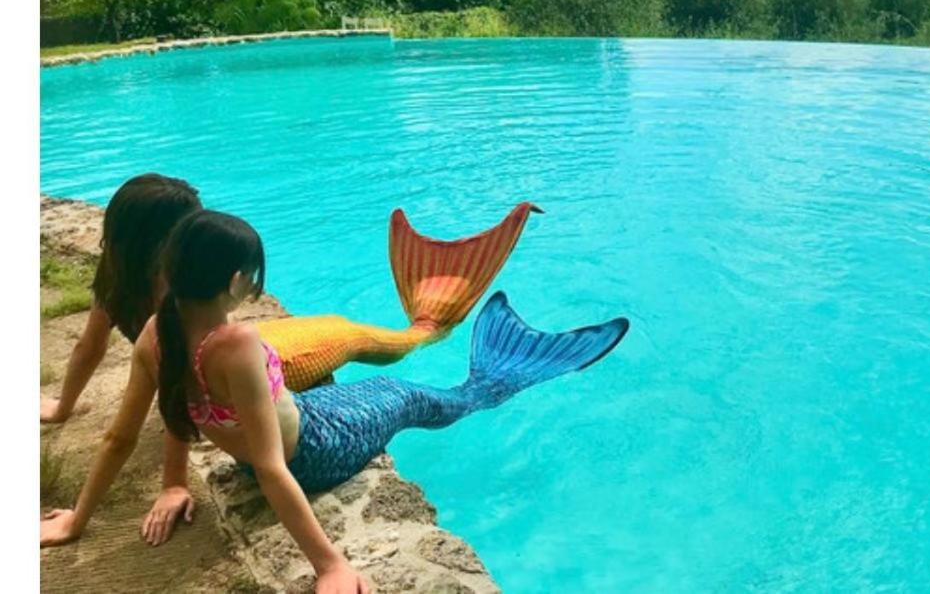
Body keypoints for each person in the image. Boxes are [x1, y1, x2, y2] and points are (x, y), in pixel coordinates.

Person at [40, 209, 628, 594]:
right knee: (418, 396)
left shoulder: (157, 334)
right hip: (318, 451)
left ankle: (492, 369)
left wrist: (77, 521)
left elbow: (121, 436)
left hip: (302, 421)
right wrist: (330, 564)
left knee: (347, 387)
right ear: (238, 282)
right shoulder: (237, 346)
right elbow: (272, 468)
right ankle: (500, 378)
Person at [42, 173, 540, 423]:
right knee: (372, 343)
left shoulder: (121, 279)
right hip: (264, 361)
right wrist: (175, 483)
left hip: (251, 354)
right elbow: (175, 388)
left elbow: (95, 347)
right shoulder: (170, 297)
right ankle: (453, 343)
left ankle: (431, 325)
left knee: (362, 332)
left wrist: (64, 406)